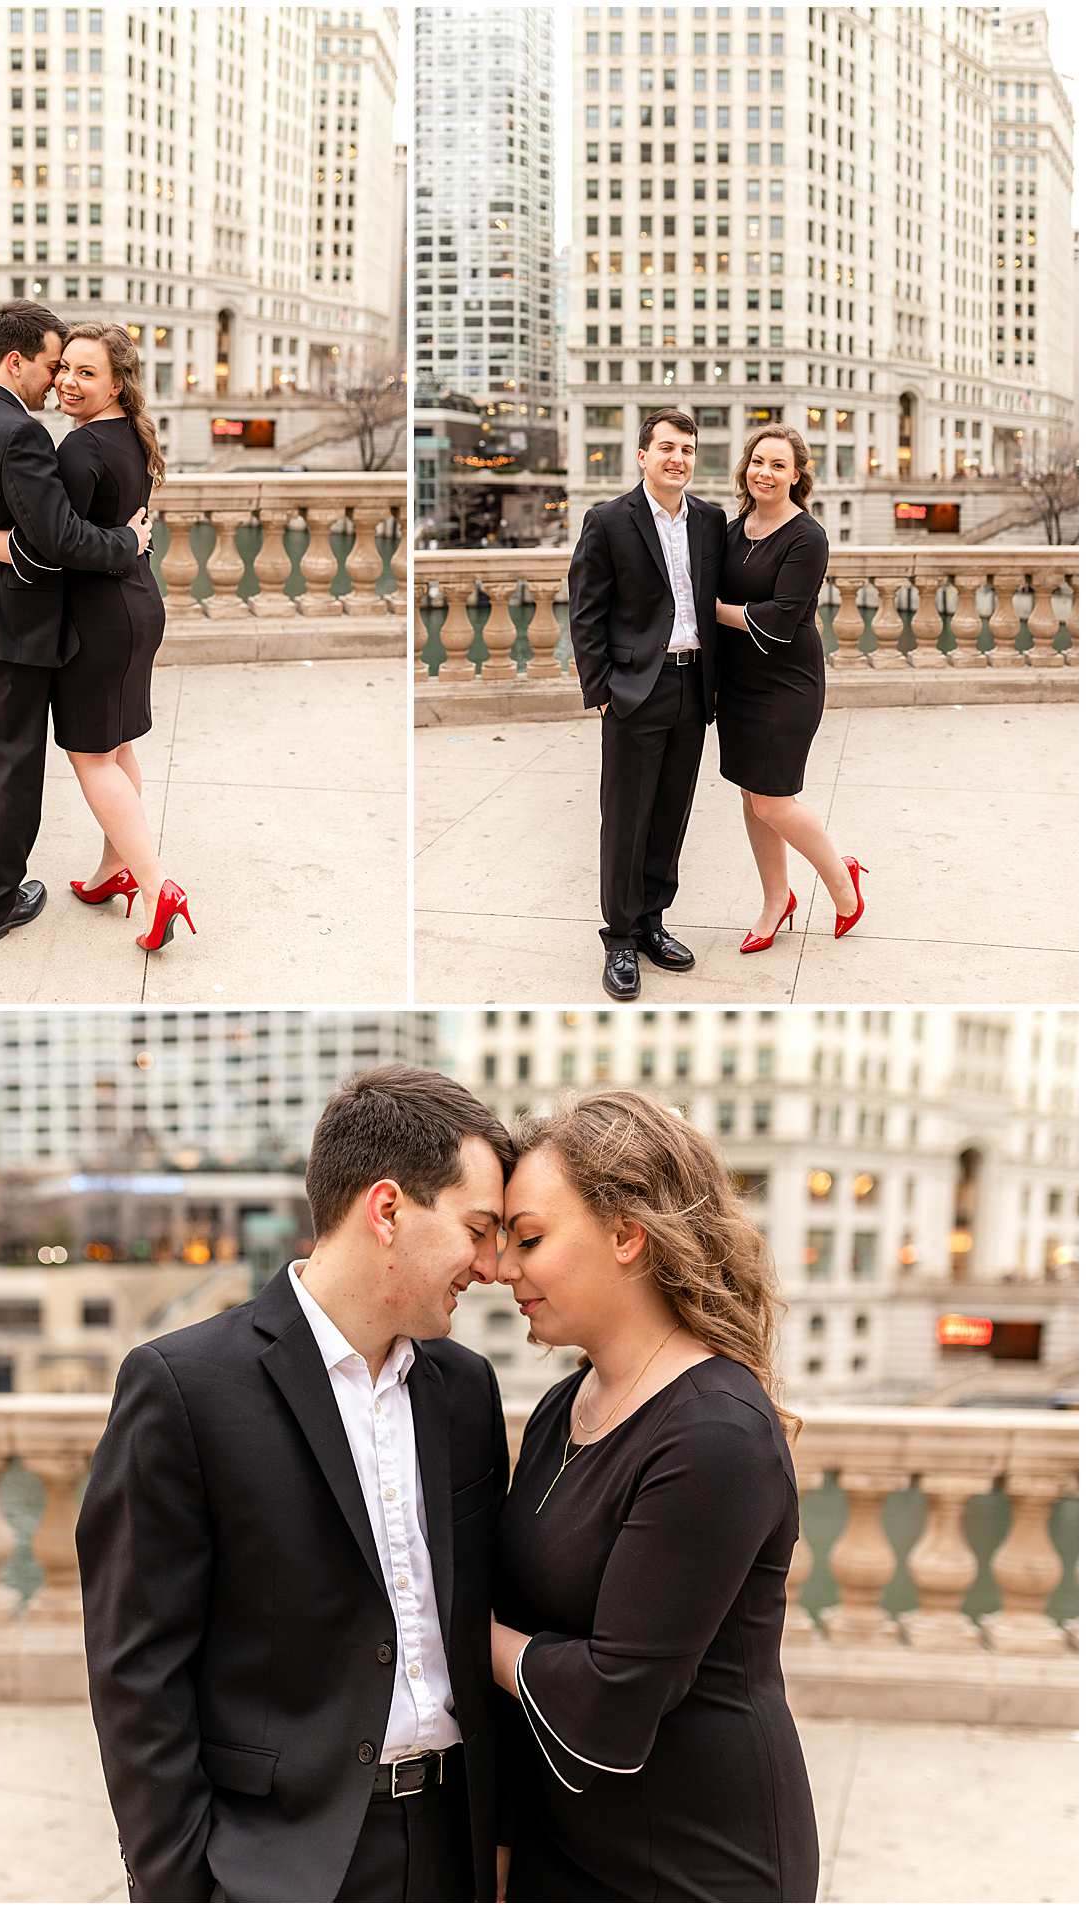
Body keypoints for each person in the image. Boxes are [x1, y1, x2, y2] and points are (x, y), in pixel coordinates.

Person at [76, 1065, 516, 1903]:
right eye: (477, 1228)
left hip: (455, 1847)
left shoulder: (465, 1389)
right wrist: (180, 1887)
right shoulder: (182, 1386)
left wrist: (498, 1845)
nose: (490, 1265)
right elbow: (136, 1673)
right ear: (386, 1209)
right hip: (278, 1864)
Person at [491, 1090, 819, 1903]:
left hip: (696, 1862)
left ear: (627, 1236)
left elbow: (613, 1700)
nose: (503, 1269)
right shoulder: (561, 1408)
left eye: (527, 1238)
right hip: (563, 1842)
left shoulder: (715, 1434)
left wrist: (450, 1631)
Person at [0, 323, 195, 955]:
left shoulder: (63, 448)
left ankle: (157, 883)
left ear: (117, 382)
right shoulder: (127, 437)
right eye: (64, 369)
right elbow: (85, 533)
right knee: (116, 746)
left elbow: (52, 550)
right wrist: (133, 543)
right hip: (135, 605)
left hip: (97, 616)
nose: (67, 382)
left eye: (85, 372)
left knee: (90, 758)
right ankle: (115, 872)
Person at [566, 409, 727, 1002]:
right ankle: (620, 939)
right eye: (666, 447)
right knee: (627, 818)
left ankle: (654, 922)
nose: (677, 458)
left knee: (670, 813)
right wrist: (602, 693)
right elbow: (585, 613)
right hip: (635, 690)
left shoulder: (711, 521)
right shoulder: (608, 520)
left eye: (686, 449)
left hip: (693, 686)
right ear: (642, 456)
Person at [714, 426, 867, 952]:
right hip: (738, 684)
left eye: (779, 465)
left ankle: (842, 882)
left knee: (775, 802)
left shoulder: (808, 536)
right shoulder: (736, 529)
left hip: (787, 684)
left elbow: (780, 620)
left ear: (796, 475)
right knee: (752, 798)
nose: (766, 472)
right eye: (758, 461)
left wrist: (713, 612)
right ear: (745, 468)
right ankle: (776, 899)